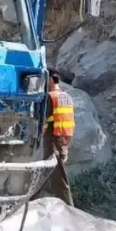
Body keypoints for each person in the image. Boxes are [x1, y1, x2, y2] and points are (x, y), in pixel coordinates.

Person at [32, 69, 75, 206]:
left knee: (59, 180)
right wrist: (64, 146)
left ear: (50, 80)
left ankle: (70, 209)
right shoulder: (66, 97)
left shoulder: (50, 97)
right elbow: (66, 121)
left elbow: (45, 122)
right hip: (63, 140)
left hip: (53, 141)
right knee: (45, 175)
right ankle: (29, 201)